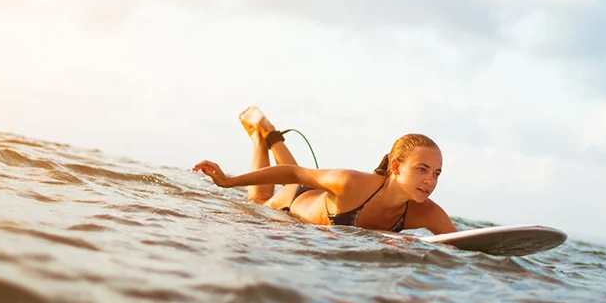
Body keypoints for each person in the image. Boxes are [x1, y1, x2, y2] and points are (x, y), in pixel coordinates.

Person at [193, 107, 457, 234]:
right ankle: (259, 137)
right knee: (258, 200)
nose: (429, 180)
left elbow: (470, 243)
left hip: (320, 194)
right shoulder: (351, 182)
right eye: (422, 169)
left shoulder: (427, 211)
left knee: (296, 177)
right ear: (397, 167)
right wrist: (229, 181)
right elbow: (295, 175)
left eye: (436, 173)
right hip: (295, 201)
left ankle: (270, 132)